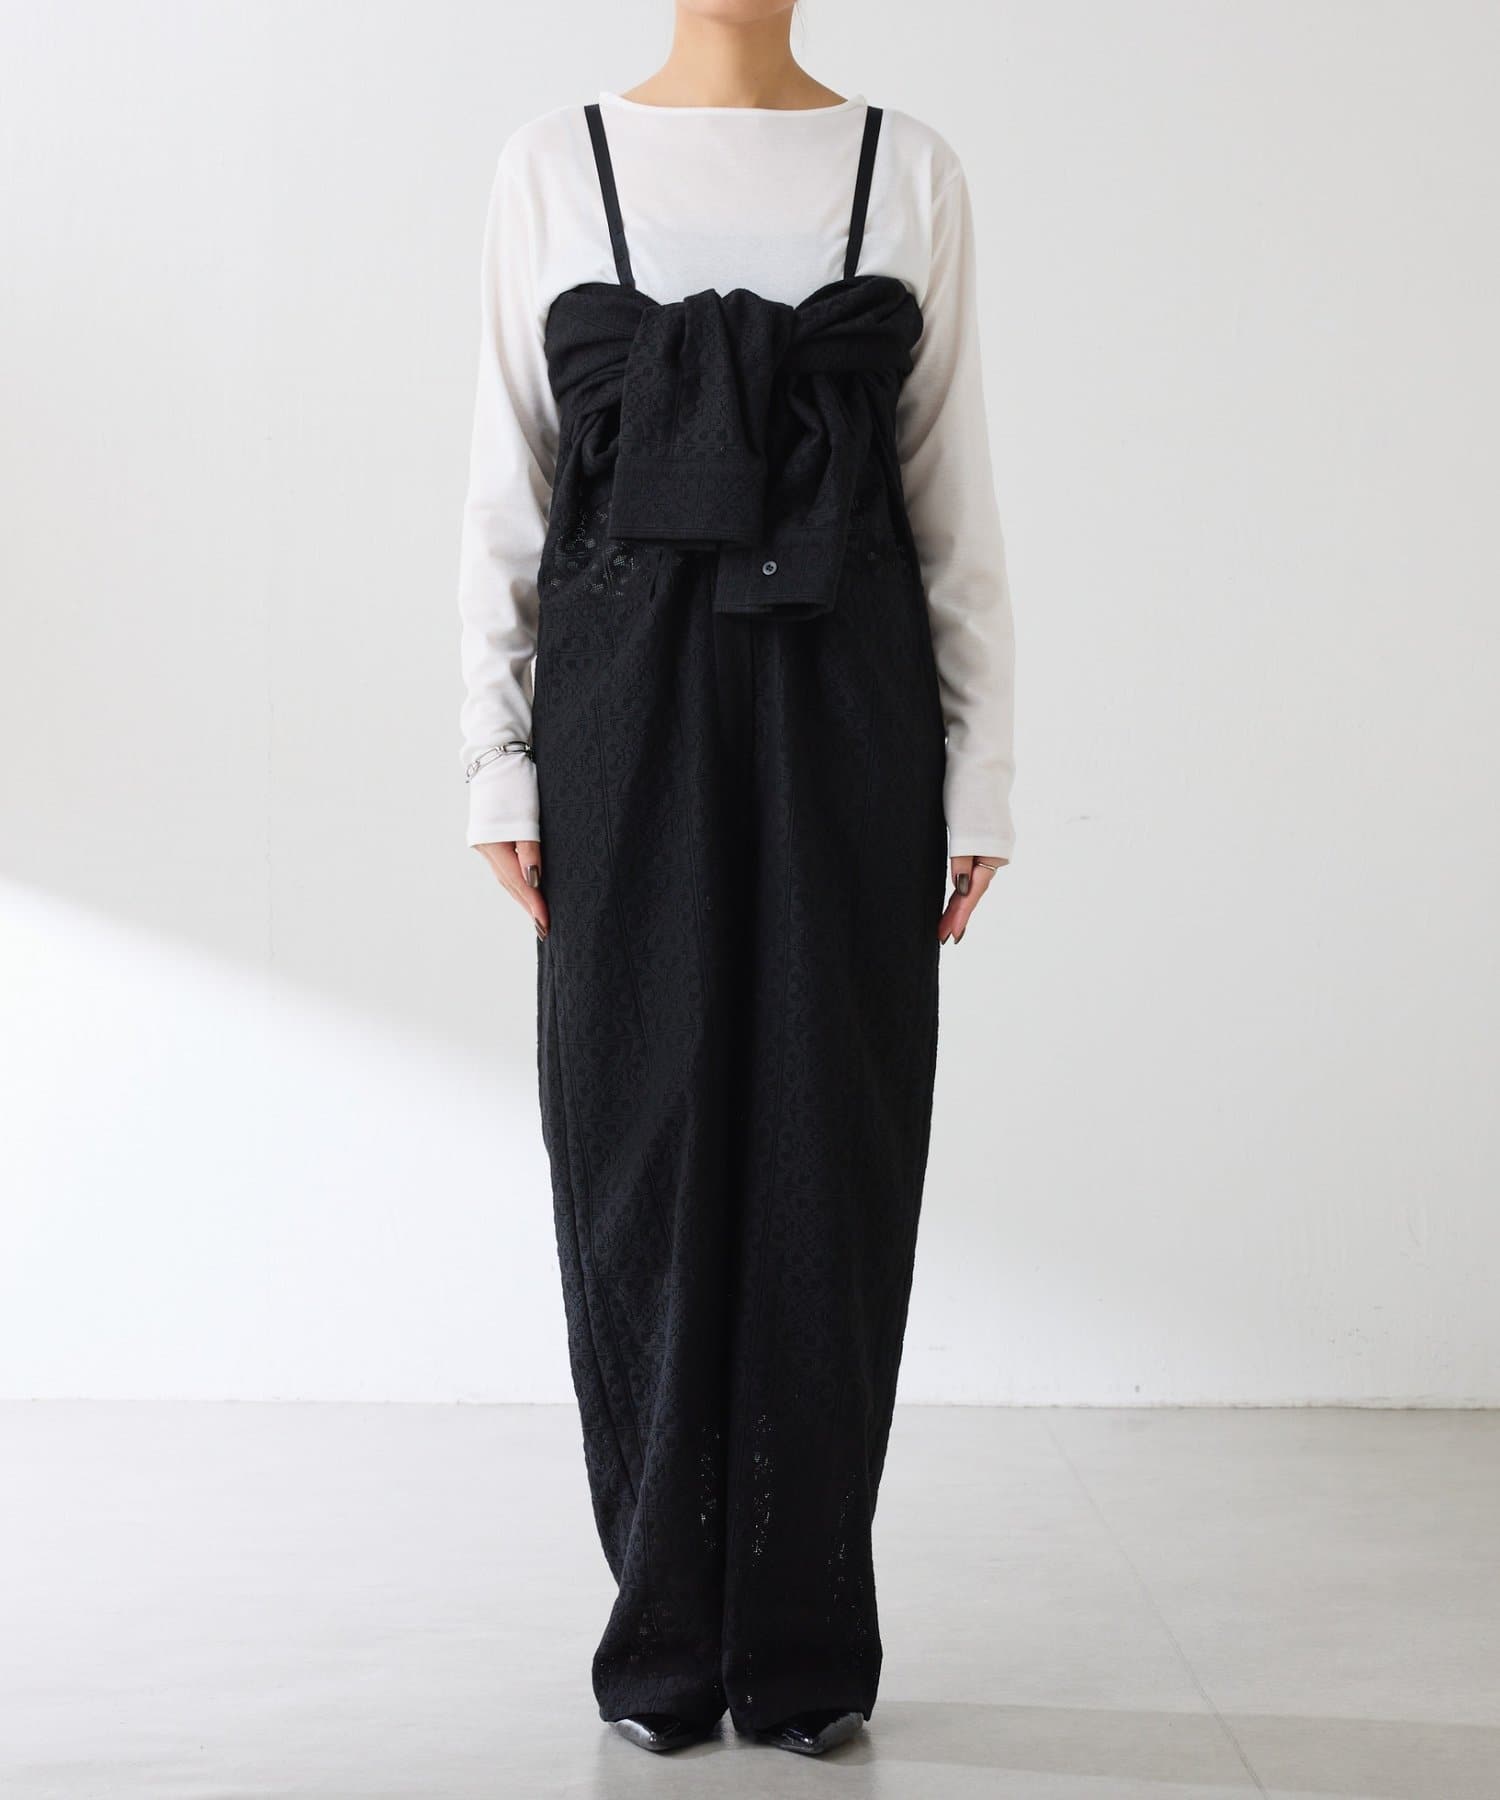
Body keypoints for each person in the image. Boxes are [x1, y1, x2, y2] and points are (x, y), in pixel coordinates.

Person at [456, 1, 1014, 1759]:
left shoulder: (908, 169)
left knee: (833, 1152)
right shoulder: (553, 165)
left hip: (853, 708)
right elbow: (506, 485)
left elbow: (951, 494)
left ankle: (804, 1637)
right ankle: (662, 1624)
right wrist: (494, 757)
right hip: (617, 717)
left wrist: (983, 767)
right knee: (637, 1145)